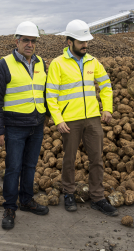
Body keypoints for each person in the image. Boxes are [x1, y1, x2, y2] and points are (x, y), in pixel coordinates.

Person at [46, 19, 118, 217]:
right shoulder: (57, 64)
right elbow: (51, 95)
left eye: (87, 41)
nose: (85, 45)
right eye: (81, 42)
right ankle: (68, 193)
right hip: (70, 120)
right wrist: (59, 119)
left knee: (97, 158)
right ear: (69, 41)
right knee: (69, 159)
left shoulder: (92, 62)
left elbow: (106, 85)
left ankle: (98, 197)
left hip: (93, 118)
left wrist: (107, 109)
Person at [0, 21, 50, 230]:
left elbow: (46, 92)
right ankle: (9, 207)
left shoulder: (41, 63)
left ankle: (26, 200)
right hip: (14, 126)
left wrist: (47, 115)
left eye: (33, 41)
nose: (30, 44)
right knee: (13, 168)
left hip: (36, 124)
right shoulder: (4, 64)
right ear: (17, 41)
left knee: (30, 166)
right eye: (26, 40)